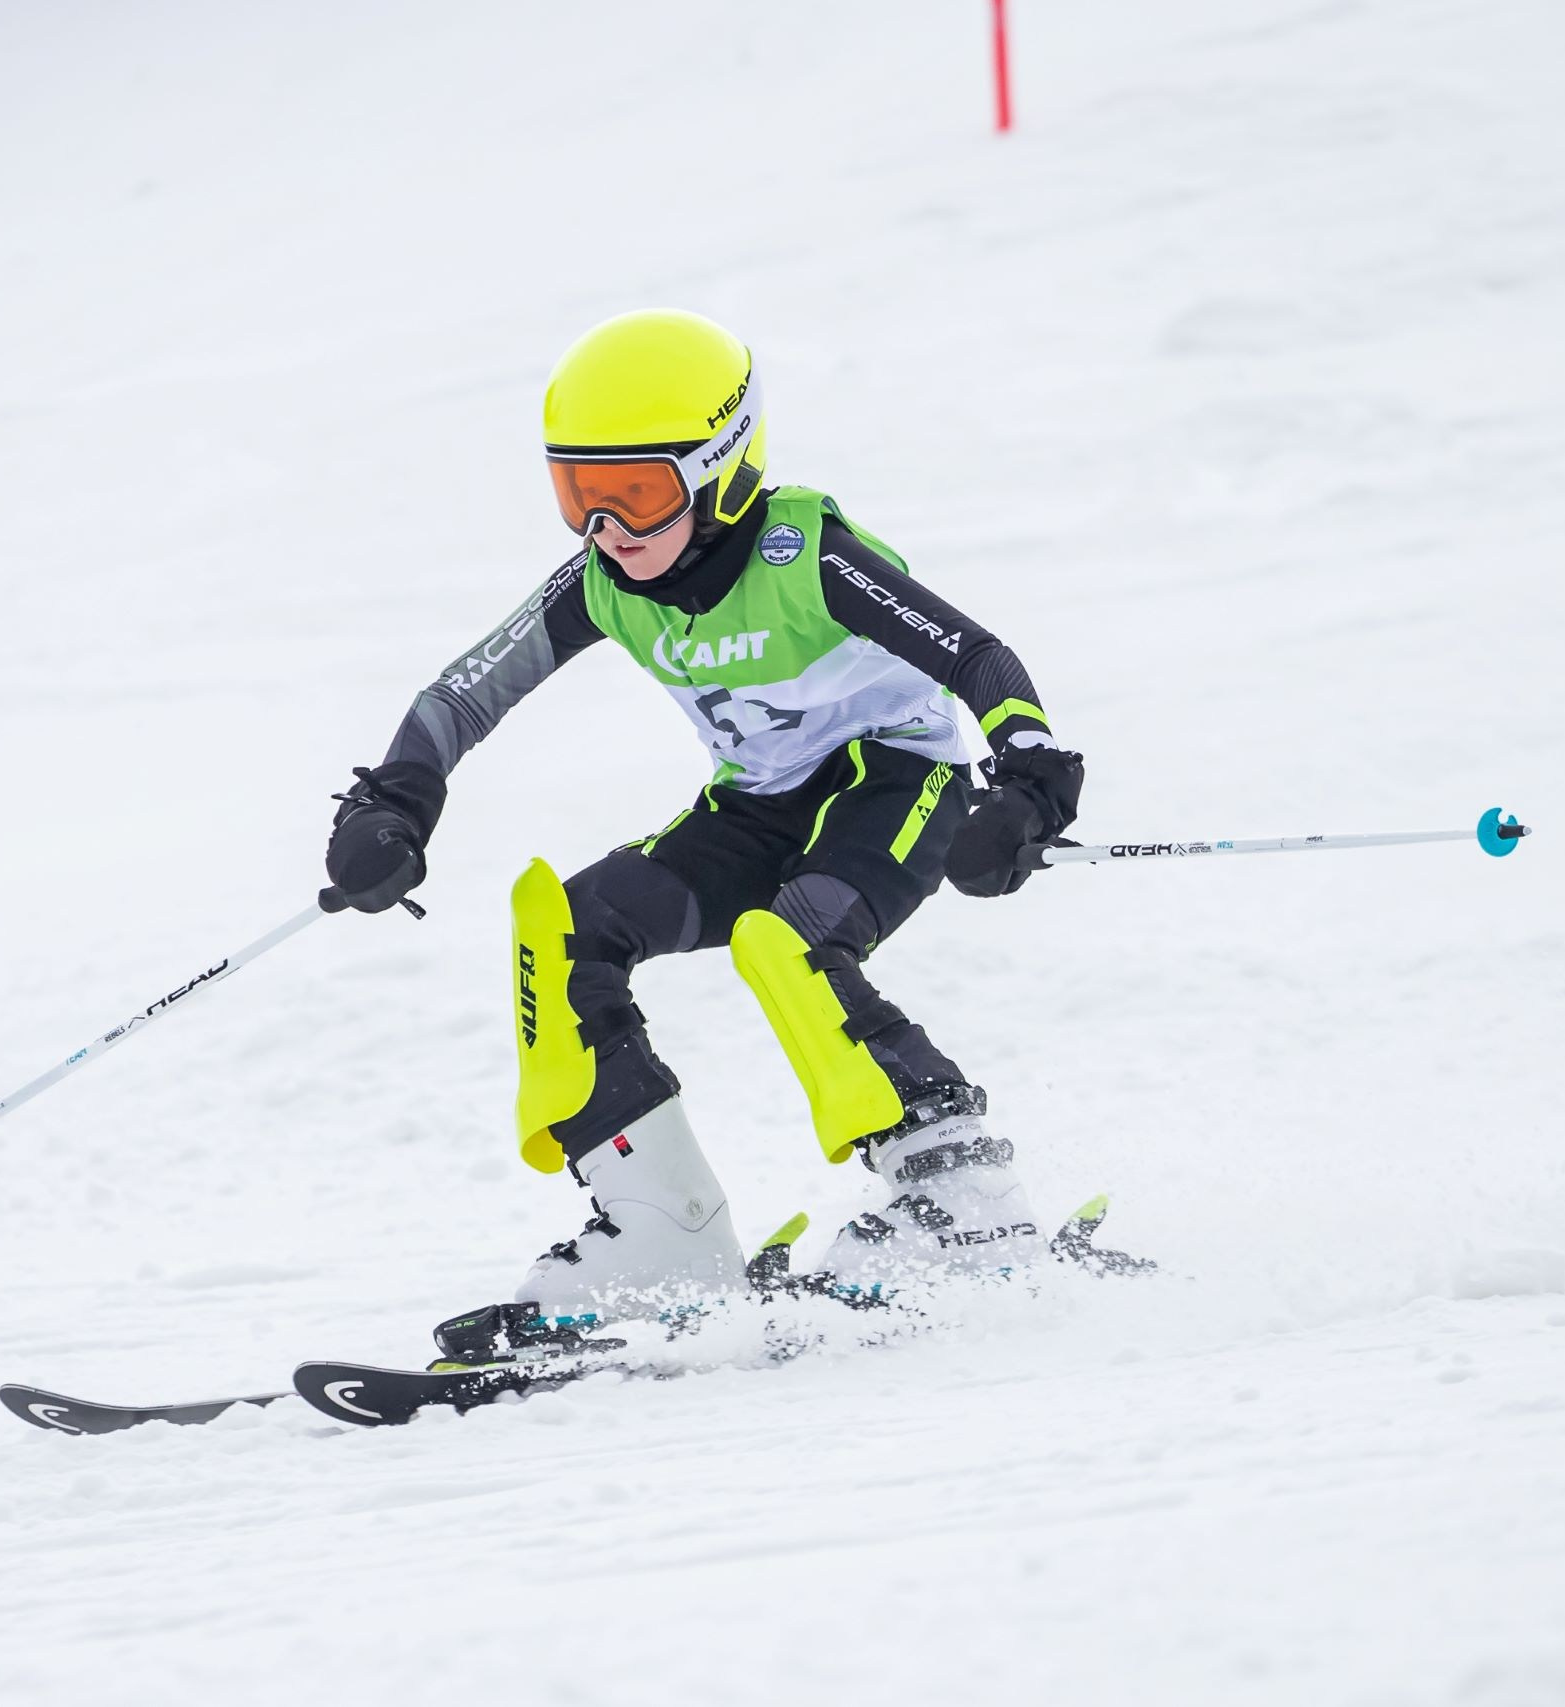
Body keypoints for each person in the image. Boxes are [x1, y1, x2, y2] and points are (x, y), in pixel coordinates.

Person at [322, 309, 1084, 1316]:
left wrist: (1027, 781)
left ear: (720, 468)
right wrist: (394, 802)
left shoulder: (800, 553)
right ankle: (662, 1232)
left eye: (635, 495)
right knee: (564, 931)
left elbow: (976, 657)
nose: (607, 534)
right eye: (579, 498)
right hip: (757, 804)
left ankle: (960, 1190)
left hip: (895, 781)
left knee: (792, 939)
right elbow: (462, 696)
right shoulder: (603, 583)